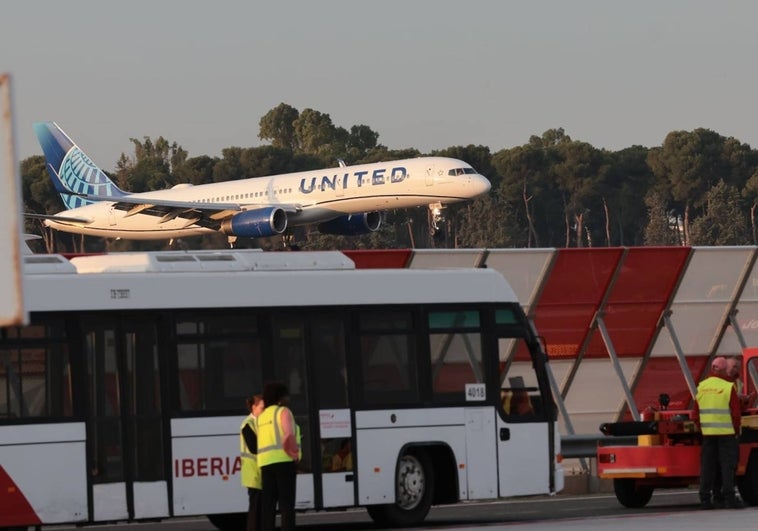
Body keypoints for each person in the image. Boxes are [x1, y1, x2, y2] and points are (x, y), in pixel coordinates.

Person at [695, 356, 743, 510]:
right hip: (726, 433)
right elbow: (736, 413)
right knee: (727, 466)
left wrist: (702, 428)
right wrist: (735, 430)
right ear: (723, 370)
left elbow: (695, 413)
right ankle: (729, 498)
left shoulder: (702, 386)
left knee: (707, 466)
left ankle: (705, 499)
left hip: (708, 434)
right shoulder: (728, 386)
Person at [258, 381, 301, 531]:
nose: (288, 399)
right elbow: (288, 434)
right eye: (286, 396)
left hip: (265, 464)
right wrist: (294, 455)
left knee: (268, 506)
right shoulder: (284, 412)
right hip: (283, 462)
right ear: (280, 398)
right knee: (286, 505)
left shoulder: (261, 417)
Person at [240, 394, 265, 531]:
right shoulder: (247, 424)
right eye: (262, 407)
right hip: (254, 474)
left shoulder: (259, 422)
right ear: (253, 407)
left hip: (259, 472)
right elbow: (254, 447)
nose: (264, 410)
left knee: (260, 510)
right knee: (255, 510)